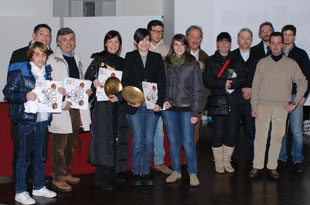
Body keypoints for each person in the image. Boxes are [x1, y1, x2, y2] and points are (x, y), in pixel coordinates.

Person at [3, 42, 58, 204]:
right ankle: (20, 191)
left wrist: (59, 93)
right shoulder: (20, 72)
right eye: (37, 54)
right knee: (24, 158)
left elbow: (51, 98)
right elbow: (8, 92)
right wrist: (25, 96)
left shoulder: (47, 73)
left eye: (43, 54)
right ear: (31, 56)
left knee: (40, 157)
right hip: (27, 121)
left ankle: (38, 186)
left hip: (43, 120)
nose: (41, 57)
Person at [249, 32, 307, 180]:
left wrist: (295, 102)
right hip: (262, 105)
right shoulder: (262, 63)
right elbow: (255, 86)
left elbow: (303, 82)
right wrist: (254, 105)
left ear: (282, 44)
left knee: (277, 138)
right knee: (260, 137)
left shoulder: (291, 64)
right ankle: (257, 166)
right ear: (269, 44)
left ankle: (272, 167)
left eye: (278, 43)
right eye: (272, 43)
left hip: (282, 107)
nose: (275, 46)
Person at [47, 28, 91, 192]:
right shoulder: (52, 59)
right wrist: (61, 100)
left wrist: (86, 90)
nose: (68, 42)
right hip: (61, 108)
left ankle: (65, 173)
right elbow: (49, 86)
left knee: (71, 143)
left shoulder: (77, 58)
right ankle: (57, 177)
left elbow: (79, 82)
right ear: (58, 42)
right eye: (64, 39)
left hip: (76, 107)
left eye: (71, 39)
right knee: (59, 145)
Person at [85, 30, 129, 191]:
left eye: (116, 42)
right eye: (110, 42)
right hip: (102, 108)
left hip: (118, 107)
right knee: (103, 141)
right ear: (105, 43)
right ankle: (101, 178)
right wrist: (93, 81)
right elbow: (87, 80)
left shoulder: (124, 62)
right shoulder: (97, 60)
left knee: (116, 139)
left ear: (120, 45)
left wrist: (121, 97)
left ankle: (113, 173)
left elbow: (129, 86)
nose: (113, 45)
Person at [8, 23, 53, 180]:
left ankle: (36, 181)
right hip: (23, 113)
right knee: (21, 150)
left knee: (39, 150)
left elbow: (51, 88)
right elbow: (10, 87)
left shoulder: (50, 58)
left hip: (41, 115)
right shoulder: (19, 54)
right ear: (34, 36)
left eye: (48, 35)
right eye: (42, 34)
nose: (45, 38)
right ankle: (19, 184)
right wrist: (25, 96)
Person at [122, 28, 166, 186]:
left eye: (147, 39)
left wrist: (159, 103)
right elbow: (125, 82)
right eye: (141, 40)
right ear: (135, 42)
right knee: (138, 140)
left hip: (152, 106)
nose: (144, 43)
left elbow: (162, 82)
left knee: (148, 141)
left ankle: (146, 171)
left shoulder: (157, 57)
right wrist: (130, 99)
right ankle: (135, 172)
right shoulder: (129, 57)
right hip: (134, 106)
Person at [162, 34, 203, 187]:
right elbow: (163, 85)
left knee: (187, 142)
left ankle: (193, 172)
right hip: (170, 109)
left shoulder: (193, 64)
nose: (179, 48)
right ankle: (177, 171)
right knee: (173, 141)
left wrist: (195, 113)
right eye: (176, 45)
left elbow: (198, 91)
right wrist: (164, 99)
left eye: (182, 45)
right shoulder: (166, 63)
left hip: (187, 110)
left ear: (186, 47)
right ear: (172, 47)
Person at [203, 32, 247, 174]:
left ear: (230, 44)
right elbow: (208, 80)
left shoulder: (237, 60)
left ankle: (227, 161)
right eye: (221, 42)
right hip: (218, 102)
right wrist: (224, 83)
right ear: (217, 44)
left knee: (232, 132)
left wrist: (232, 84)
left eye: (226, 42)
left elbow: (243, 78)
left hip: (234, 103)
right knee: (218, 133)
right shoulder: (210, 60)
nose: (223, 45)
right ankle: (219, 162)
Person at [278, 25, 310, 173]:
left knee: (296, 131)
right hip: (280, 97)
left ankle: (297, 159)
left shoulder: (301, 54)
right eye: (285, 34)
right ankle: (281, 158)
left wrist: (304, 96)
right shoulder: (277, 53)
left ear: (294, 37)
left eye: (290, 35)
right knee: (281, 130)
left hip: (296, 97)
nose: (287, 37)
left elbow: (307, 77)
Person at [147, 20, 172, 175]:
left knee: (159, 131)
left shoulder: (168, 50)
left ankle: (159, 162)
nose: (158, 34)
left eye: (161, 31)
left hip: (161, 95)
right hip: (145, 95)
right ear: (149, 31)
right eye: (155, 31)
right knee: (145, 132)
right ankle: (145, 162)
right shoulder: (143, 47)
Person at [231, 28, 259, 163]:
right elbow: (229, 77)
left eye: (248, 38)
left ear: (252, 40)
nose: (245, 40)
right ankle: (234, 157)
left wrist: (252, 90)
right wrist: (241, 89)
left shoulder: (258, 57)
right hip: (236, 97)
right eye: (243, 37)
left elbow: (262, 78)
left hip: (252, 100)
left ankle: (251, 158)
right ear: (238, 39)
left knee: (251, 130)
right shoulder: (231, 56)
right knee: (233, 130)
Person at [186, 25, 209, 145]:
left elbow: (207, 85)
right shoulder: (178, 55)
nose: (195, 40)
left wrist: (202, 104)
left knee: (194, 135)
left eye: (198, 37)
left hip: (197, 105)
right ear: (187, 38)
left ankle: (190, 162)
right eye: (192, 37)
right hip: (180, 104)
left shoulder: (206, 58)